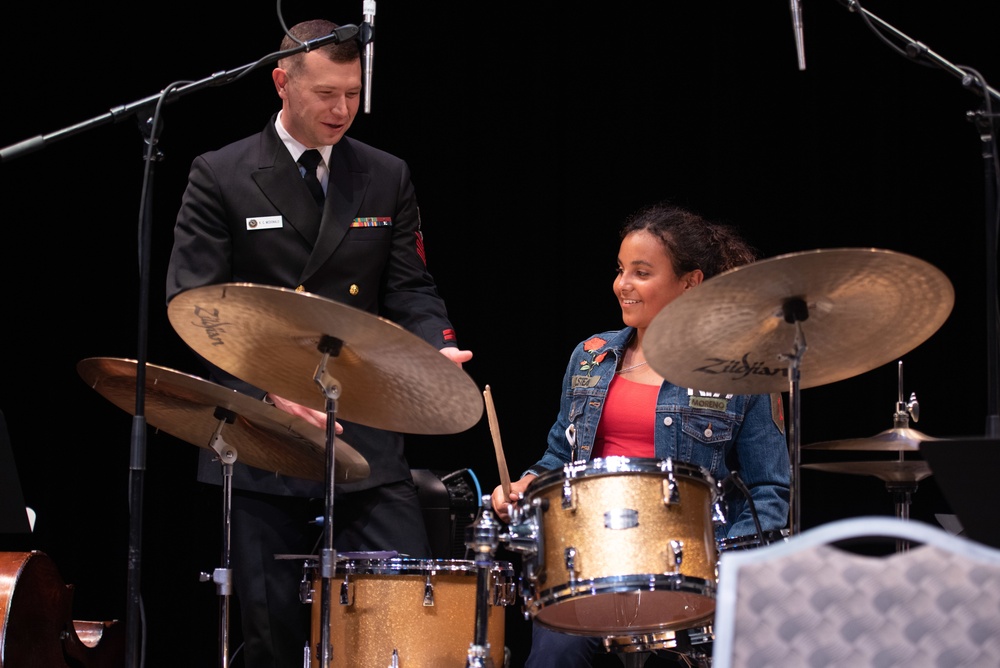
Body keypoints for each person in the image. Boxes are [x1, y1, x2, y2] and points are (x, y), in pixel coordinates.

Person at [165, 19, 471, 668]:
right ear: (282, 83)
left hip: (363, 428)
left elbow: (412, 287)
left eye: (353, 95)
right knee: (272, 634)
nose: (341, 111)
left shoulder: (385, 175)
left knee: (403, 618)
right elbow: (195, 308)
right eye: (327, 94)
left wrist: (433, 349)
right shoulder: (220, 174)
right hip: (260, 432)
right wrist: (265, 391)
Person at [491, 201, 790, 667]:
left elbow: (769, 489)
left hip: (688, 574)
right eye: (620, 269)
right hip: (592, 566)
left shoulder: (741, 371)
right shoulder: (590, 357)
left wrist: (725, 566)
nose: (622, 285)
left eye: (642, 272)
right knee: (554, 655)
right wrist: (526, 484)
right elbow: (559, 458)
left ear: (690, 283)